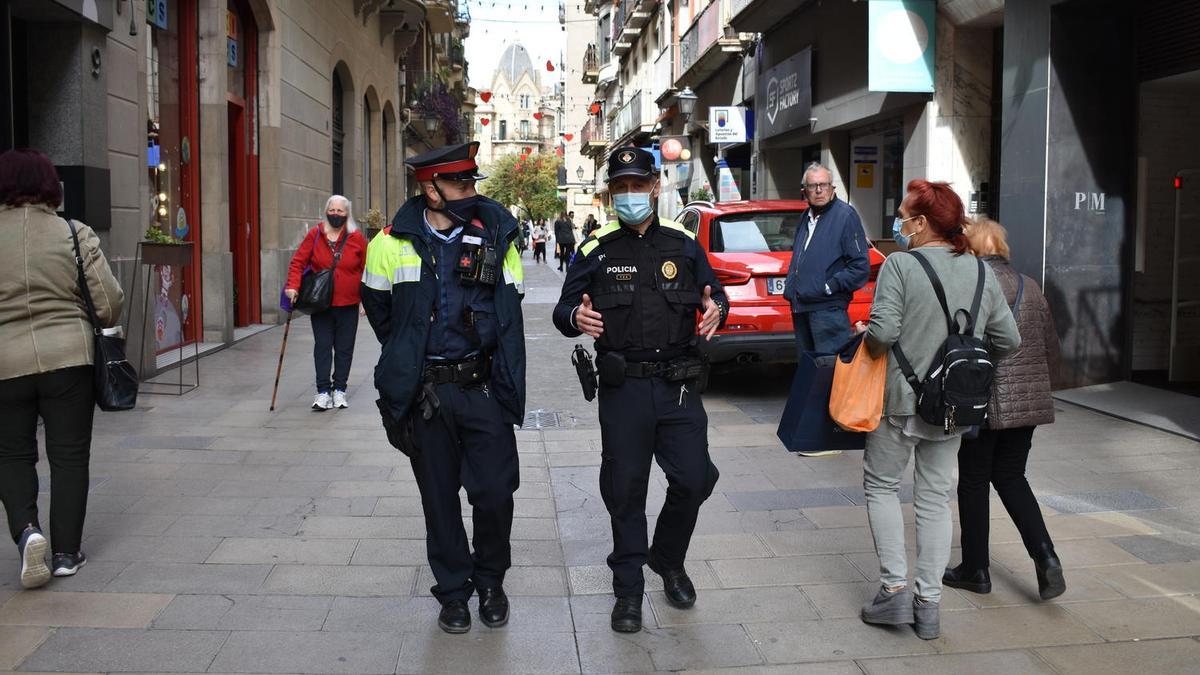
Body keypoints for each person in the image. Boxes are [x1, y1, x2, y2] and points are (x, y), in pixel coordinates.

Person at [553, 146, 728, 633]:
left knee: (695, 479)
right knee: (625, 491)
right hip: (624, 388)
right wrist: (575, 317)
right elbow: (563, 310)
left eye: (638, 185)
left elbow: (717, 294)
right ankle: (628, 590)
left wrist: (719, 310)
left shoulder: (684, 243)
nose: (630, 194)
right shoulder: (595, 249)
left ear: (655, 186)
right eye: (621, 187)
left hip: (678, 386)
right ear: (610, 194)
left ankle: (668, 559)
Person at [361, 141, 526, 634]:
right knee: (439, 500)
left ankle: (491, 582)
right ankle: (454, 593)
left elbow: (510, 309)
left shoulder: (497, 235)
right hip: (427, 395)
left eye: (471, 182)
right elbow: (382, 317)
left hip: (483, 389)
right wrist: (410, 365)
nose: (469, 192)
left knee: (495, 492)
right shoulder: (388, 244)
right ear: (428, 189)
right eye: (458, 184)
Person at [858, 180, 1020, 640]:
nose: (901, 224)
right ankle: (928, 605)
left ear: (921, 222)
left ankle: (893, 592)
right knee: (933, 499)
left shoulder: (900, 264)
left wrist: (867, 331)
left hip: (901, 402)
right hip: (954, 405)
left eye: (905, 216)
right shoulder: (981, 271)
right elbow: (1010, 341)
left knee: (883, 487)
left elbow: (883, 334)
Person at [0, 148, 124, 587]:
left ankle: (27, 531)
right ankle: (66, 552)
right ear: (50, 186)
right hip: (68, 358)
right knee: (69, 455)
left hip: (4, 362)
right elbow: (108, 304)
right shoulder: (74, 233)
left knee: (12, 453)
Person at [944, 218, 1065, 600]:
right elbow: (1051, 348)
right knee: (1013, 478)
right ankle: (1046, 555)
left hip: (983, 401)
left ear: (973, 249)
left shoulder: (974, 284)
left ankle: (975, 569)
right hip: (1027, 403)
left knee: (974, 481)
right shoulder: (1031, 285)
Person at [783, 163, 870, 457]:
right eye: (813, 186)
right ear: (804, 191)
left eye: (824, 185)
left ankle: (831, 435)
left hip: (827, 307)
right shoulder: (806, 216)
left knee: (831, 372)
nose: (819, 190)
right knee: (811, 371)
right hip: (802, 305)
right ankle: (813, 433)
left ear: (832, 188)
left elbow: (860, 265)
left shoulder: (845, 216)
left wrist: (829, 287)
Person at [285, 195, 367, 411]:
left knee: (344, 348)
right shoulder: (315, 234)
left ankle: (339, 390)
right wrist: (292, 286)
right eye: (332, 210)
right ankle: (323, 392)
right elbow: (298, 262)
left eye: (340, 211)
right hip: (320, 303)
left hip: (348, 302)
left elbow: (367, 269)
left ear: (347, 213)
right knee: (322, 346)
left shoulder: (356, 238)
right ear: (326, 211)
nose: (336, 214)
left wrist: (365, 300)